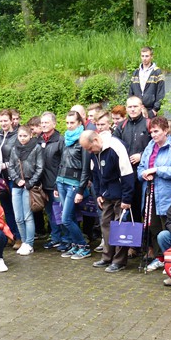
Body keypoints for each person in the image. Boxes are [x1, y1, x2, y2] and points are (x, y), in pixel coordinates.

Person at [80, 129, 134, 273]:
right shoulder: (94, 153)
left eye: (89, 148)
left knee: (120, 227)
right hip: (106, 195)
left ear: (95, 140)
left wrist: (127, 198)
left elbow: (127, 173)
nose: (89, 152)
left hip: (120, 194)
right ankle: (107, 257)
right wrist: (99, 193)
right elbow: (95, 174)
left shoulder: (116, 147)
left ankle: (119, 261)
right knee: (105, 224)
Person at [138, 115, 171, 271]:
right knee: (154, 226)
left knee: (169, 227)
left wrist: (157, 170)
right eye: (151, 132)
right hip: (150, 193)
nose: (153, 135)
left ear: (166, 130)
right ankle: (160, 258)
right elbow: (141, 167)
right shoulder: (150, 147)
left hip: (168, 195)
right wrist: (143, 174)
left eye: (156, 131)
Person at [55, 110, 92, 259]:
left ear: (79, 123)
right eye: (67, 123)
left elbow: (86, 167)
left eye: (72, 123)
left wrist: (81, 190)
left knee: (66, 219)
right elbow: (61, 161)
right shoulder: (65, 138)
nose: (69, 126)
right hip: (61, 181)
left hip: (74, 183)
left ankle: (83, 246)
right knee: (69, 216)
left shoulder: (83, 140)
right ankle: (75, 245)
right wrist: (56, 183)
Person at [114, 96, 151, 228]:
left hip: (143, 173)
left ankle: (145, 237)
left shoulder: (149, 124)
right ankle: (130, 238)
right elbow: (114, 145)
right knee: (127, 207)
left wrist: (141, 155)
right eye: (130, 107)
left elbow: (155, 146)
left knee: (144, 208)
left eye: (135, 106)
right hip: (125, 173)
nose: (132, 109)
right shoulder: (121, 126)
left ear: (141, 107)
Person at [8, 125, 44, 256]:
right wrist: (17, 180)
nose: (22, 138)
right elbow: (11, 166)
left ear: (30, 136)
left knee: (27, 216)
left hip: (29, 185)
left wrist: (30, 182)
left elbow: (40, 167)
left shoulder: (36, 148)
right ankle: (24, 242)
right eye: (20, 136)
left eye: (25, 136)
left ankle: (29, 243)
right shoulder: (14, 148)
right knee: (18, 217)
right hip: (17, 184)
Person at [38, 111, 65, 249]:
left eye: (46, 122)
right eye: (42, 122)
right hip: (43, 183)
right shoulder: (39, 140)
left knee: (60, 212)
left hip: (56, 183)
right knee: (50, 213)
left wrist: (57, 183)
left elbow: (63, 163)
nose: (43, 125)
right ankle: (55, 237)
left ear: (54, 124)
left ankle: (65, 239)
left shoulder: (60, 140)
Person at [0, 109, 21, 247]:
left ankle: (20, 237)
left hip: (13, 176)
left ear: (11, 121)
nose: (3, 123)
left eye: (5, 120)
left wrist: (6, 165)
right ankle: (12, 234)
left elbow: (20, 156)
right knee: (7, 208)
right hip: (1, 179)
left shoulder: (17, 135)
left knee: (17, 208)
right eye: (1, 121)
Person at [128, 46, 165, 117]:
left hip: (151, 109)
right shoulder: (136, 72)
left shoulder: (157, 72)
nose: (144, 58)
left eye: (147, 56)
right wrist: (131, 105)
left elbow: (160, 92)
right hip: (136, 109)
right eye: (142, 56)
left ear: (151, 57)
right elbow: (131, 91)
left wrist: (155, 109)